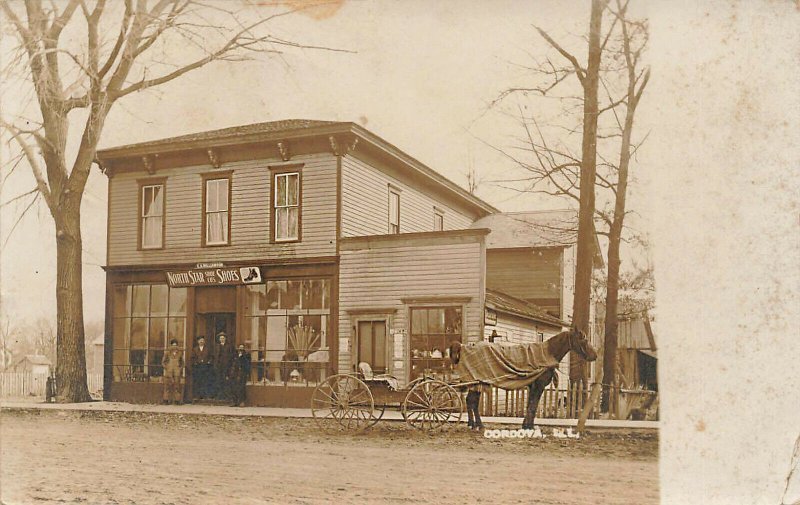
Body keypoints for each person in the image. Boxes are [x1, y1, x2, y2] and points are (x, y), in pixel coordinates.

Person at [161, 339, 184, 405]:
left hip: (177, 372)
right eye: (173, 345)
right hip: (168, 372)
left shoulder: (179, 353)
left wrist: (180, 369)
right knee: (167, 387)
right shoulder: (167, 353)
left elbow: (182, 362)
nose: (174, 347)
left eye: (175, 345)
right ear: (171, 346)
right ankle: (166, 400)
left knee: (177, 386)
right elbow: (163, 362)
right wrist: (167, 367)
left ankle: (177, 400)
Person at [191, 336, 213, 400]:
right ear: (198, 342)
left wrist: (209, 362)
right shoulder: (195, 349)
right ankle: (198, 396)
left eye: (203, 340)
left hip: (206, 367)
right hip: (198, 367)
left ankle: (206, 395)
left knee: (206, 381)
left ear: (204, 342)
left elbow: (211, 357)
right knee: (198, 381)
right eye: (200, 340)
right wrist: (196, 362)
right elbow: (192, 358)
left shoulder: (207, 349)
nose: (201, 342)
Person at [214, 332, 234, 400]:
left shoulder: (228, 346)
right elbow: (215, 356)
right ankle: (219, 395)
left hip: (226, 366)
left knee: (225, 380)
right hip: (219, 366)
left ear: (225, 339)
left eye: (223, 338)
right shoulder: (216, 346)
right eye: (221, 338)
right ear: (219, 339)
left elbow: (231, 356)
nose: (222, 339)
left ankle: (226, 395)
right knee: (218, 380)